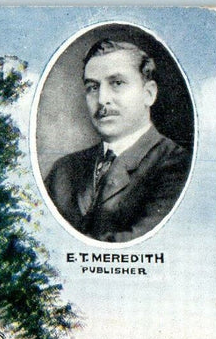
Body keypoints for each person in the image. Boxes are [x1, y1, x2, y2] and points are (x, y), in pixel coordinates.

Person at [43, 39, 192, 243]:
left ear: (149, 93)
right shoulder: (62, 172)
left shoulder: (178, 166)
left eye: (117, 83)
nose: (102, 99)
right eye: (92, 87)